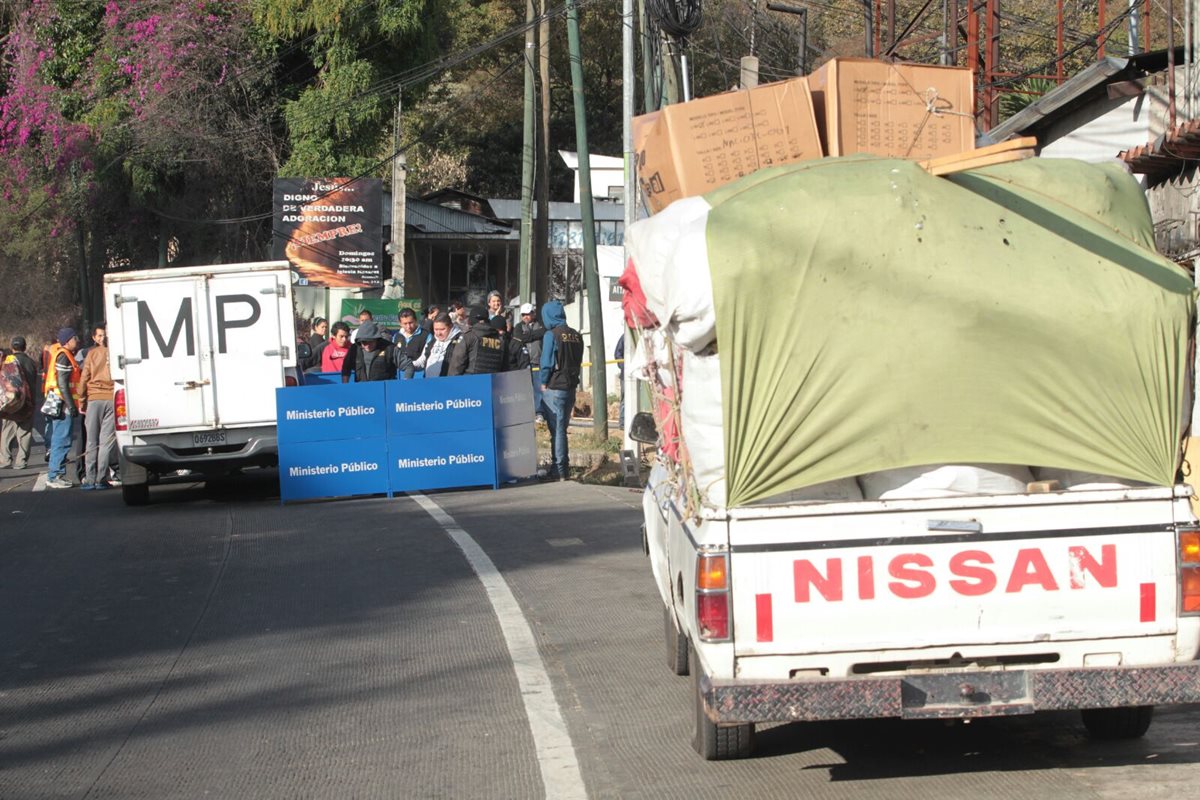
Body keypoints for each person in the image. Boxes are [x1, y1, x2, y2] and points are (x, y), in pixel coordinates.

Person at [539, 301, 583, 481]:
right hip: (571, 386)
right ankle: (562, 468)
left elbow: (546, 362)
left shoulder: (551, 335)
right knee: (562, 429)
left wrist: (543, 382)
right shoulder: (576, 335)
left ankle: (559, 470)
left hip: (555, 386)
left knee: (556, 430)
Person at [44, 327, 83, 488]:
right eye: (75, 338)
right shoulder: (64, 357)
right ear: (68, 340)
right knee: (62, 439)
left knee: (58, 438)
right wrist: (71, 405)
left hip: (58, 402)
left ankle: (55, 474)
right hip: (62, 404)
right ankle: (55, 475)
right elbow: (63, 383)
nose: (77, 341)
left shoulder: (63, 355)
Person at [78, 324, 116, 490]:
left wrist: (81, 400)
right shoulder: (115, 353)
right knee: (106, 442)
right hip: (112, 397)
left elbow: (84, 377)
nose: (102, 338)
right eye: (100, 335)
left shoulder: (92, 354)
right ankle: (102, 478)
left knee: (92, 440)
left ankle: (90, 478)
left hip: (94, 399)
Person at [0, 336, 38, 470]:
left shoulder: (8, 360)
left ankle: (5, 460)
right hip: (27, 402)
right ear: (25, 347)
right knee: (25, 433)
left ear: (12, 347)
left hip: (11, 401)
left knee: (7, 431)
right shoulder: (31, 362)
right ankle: (21, 461)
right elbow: (33, 383)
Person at [341, 320, 410, 383]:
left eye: (370, 342)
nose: (367, 345)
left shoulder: (389, 348)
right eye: (364, 342)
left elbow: (408, 366)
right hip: (361, 390)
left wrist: (405, 384)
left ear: (376, 339)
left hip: (384, 392)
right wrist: (345, 386)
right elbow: (346, 369)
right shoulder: (354, 349)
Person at [446, 307, 504, 376]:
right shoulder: (500, 339)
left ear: (471, 320)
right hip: (493, 384)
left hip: (470, 383)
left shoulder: (468, 336)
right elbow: (505, 367)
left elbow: (456, 365)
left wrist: (451, 385)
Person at [514, 302, 546, 415]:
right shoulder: (518, 326)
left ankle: (539, 412)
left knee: (538, 389)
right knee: (524, 389)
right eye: (523, 315)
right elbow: (518, 337)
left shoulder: (541, 324)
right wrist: (534, 335)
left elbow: (543, 332)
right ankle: (525, 412)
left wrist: (527, 336)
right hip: (524, 363)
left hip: (538, 363)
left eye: (528, 314)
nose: (525, 317)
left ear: (533, 313)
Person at [391, 308, 429, 377]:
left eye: (411, 323)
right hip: (400, 376)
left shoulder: (426, 335)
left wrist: (409, 367)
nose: (408, 326)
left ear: (415, 320)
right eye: (405, 323)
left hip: (419, 376)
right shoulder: (396, 336)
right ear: (400, 324)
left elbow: (425, 358)